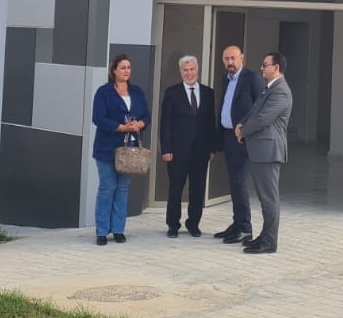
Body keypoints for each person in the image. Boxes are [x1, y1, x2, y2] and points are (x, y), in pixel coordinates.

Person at [236, 51, 292, 255]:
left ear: (276, 67)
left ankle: (269, 241)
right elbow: (254, 111)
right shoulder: (269, 88)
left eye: (265, 65)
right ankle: (264, 236)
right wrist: (241, 123)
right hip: (260, 150)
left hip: (269, 151)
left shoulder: (281, 91)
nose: (261, 68)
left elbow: (263, 118)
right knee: (263, 197)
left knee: (269, 198)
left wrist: (243, 131)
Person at [91, 54, 149, 246]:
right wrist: (121, 128)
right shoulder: (104, 92)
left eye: (129, 67)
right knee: (107, 188)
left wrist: (139, 124)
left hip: (130, 148)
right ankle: (101, 231)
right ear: (114, 70)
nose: (126, 71)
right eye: (123, 67)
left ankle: (118, 229)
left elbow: (146, 116)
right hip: (107, 147)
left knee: (123, 189)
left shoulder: (137, 92)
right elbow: (98, 118)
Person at [159, 55, 217, 238]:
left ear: (197, 70)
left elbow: (211, 123)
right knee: (176, 189)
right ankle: (173, 225)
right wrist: (166, 149)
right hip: (177, 151)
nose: (189, 73)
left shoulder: (208, 93)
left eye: (192, 69)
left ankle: (193, 224)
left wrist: (212, 148)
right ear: (180, 71)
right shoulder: (172, 93)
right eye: (185, 70)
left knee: (197, 190)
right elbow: (165, 124)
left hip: (201, 151)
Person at [215, 45, 265, 244]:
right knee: (234, 183)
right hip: (229, 137)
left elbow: (261, 108)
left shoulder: (252, 78)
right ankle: (237, 223)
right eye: (226, 59)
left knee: (240, 183)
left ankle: (245, 227)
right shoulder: (226, 80)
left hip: (244, 138)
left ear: (241, 58)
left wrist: (246, 130)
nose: (230, 62)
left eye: (233, 58)